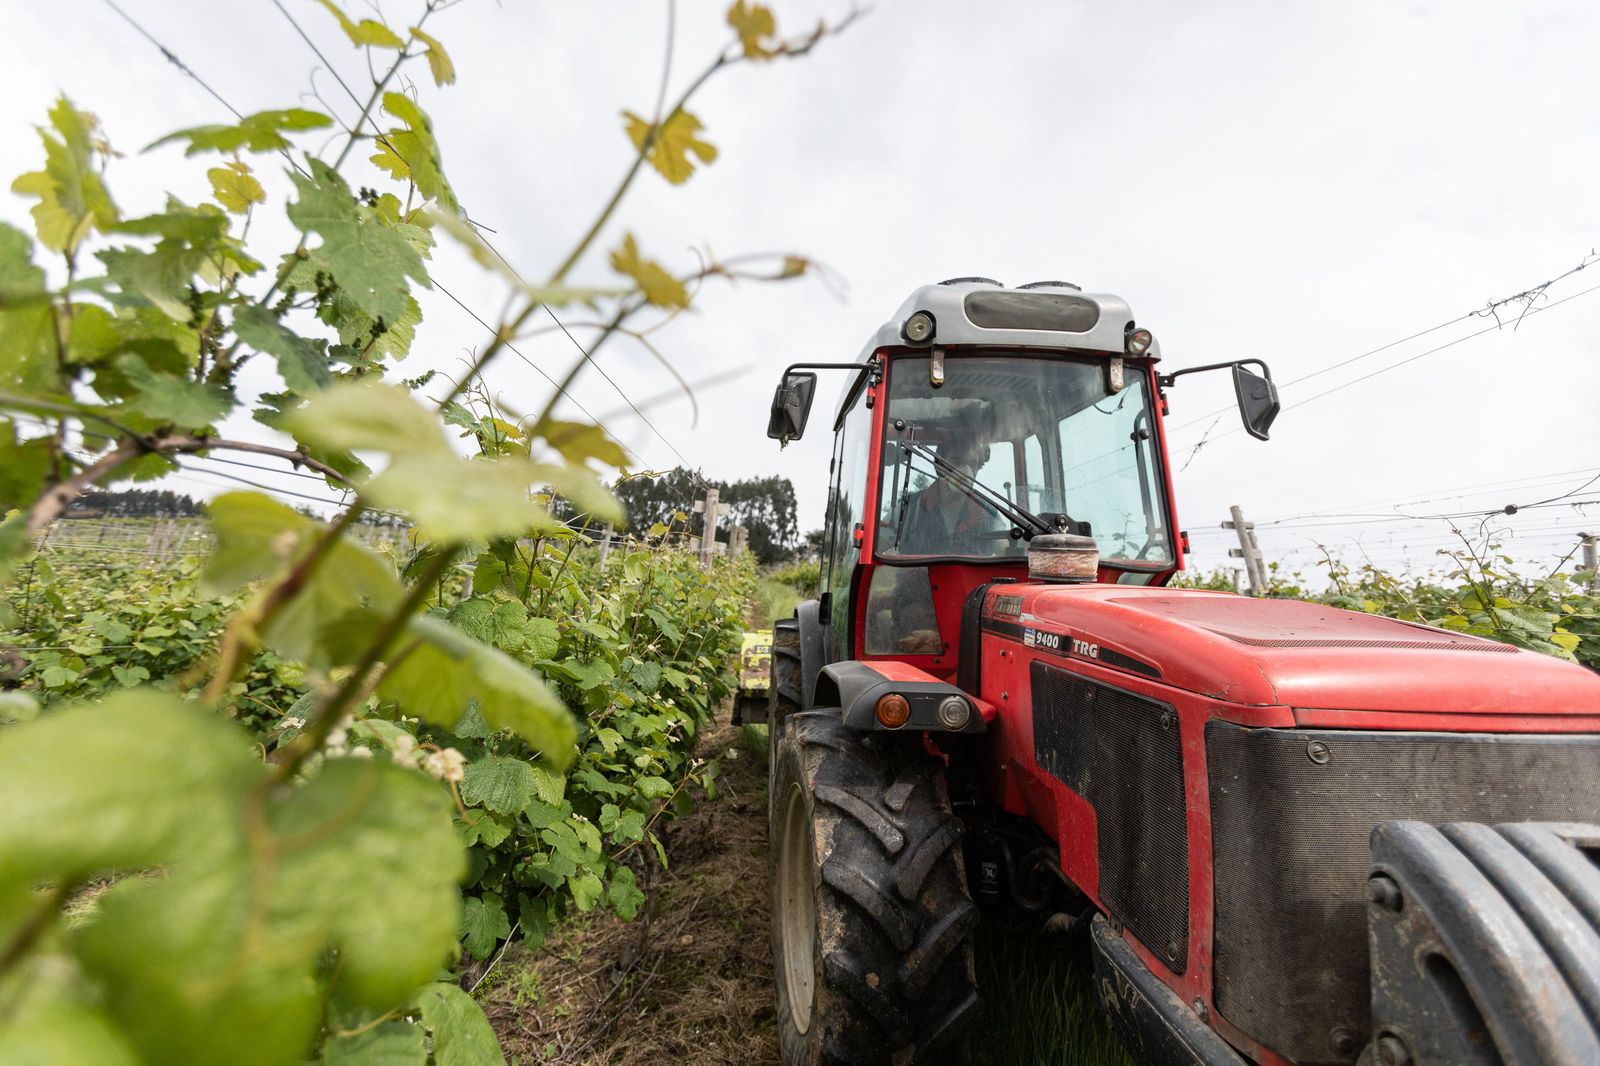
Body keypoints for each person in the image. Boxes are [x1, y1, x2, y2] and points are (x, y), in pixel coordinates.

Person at [893, 435, 1003, 557]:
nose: (965, 471)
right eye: (956, 462)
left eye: (972, 464)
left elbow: (1011, 551)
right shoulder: (910, 508)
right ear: (938, 466)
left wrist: (1028, 567)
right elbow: (876, 548)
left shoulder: (988, 515)